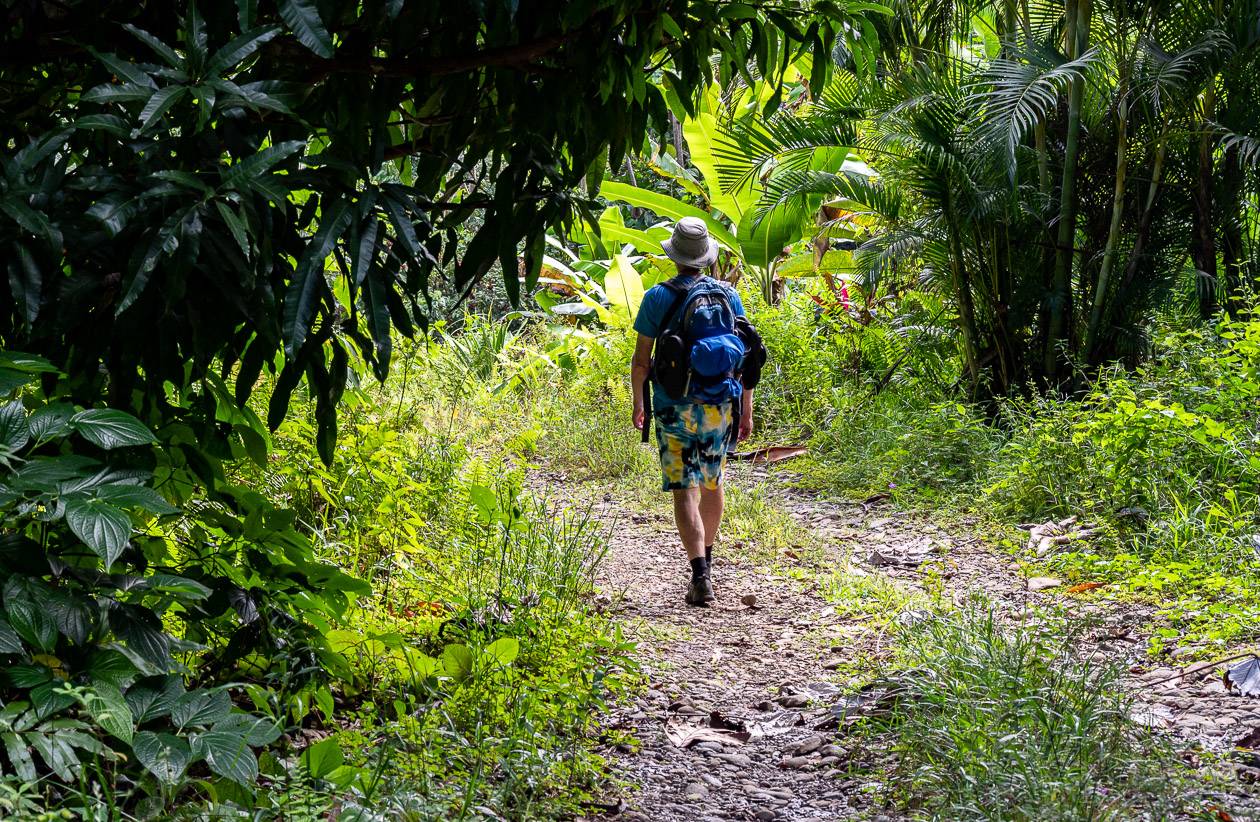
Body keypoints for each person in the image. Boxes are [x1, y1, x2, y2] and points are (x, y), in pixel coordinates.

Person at [631, 217, 754, 606]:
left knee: (685, 490)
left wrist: (639, 403)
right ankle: (709, 563)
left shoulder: (657, 297)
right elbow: (746, 359)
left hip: (673, 406)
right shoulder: (728, 296)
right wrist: (746, 410)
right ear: (705, 257)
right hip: (720, 402)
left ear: (675, 255)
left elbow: (641, 360)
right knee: (713, 481)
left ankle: (699, 572)